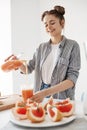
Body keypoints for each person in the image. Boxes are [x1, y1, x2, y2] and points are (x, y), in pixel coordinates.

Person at [3, 5, 81, 103]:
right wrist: (17, 63)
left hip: (61, 98)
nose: (49, 27)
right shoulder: (41, 47)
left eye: (52, 23)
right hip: (39, 96)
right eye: (45, 25)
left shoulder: (73, 46)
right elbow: (28, 69)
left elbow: (71, 80)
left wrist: (45, 93)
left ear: (62, 23)